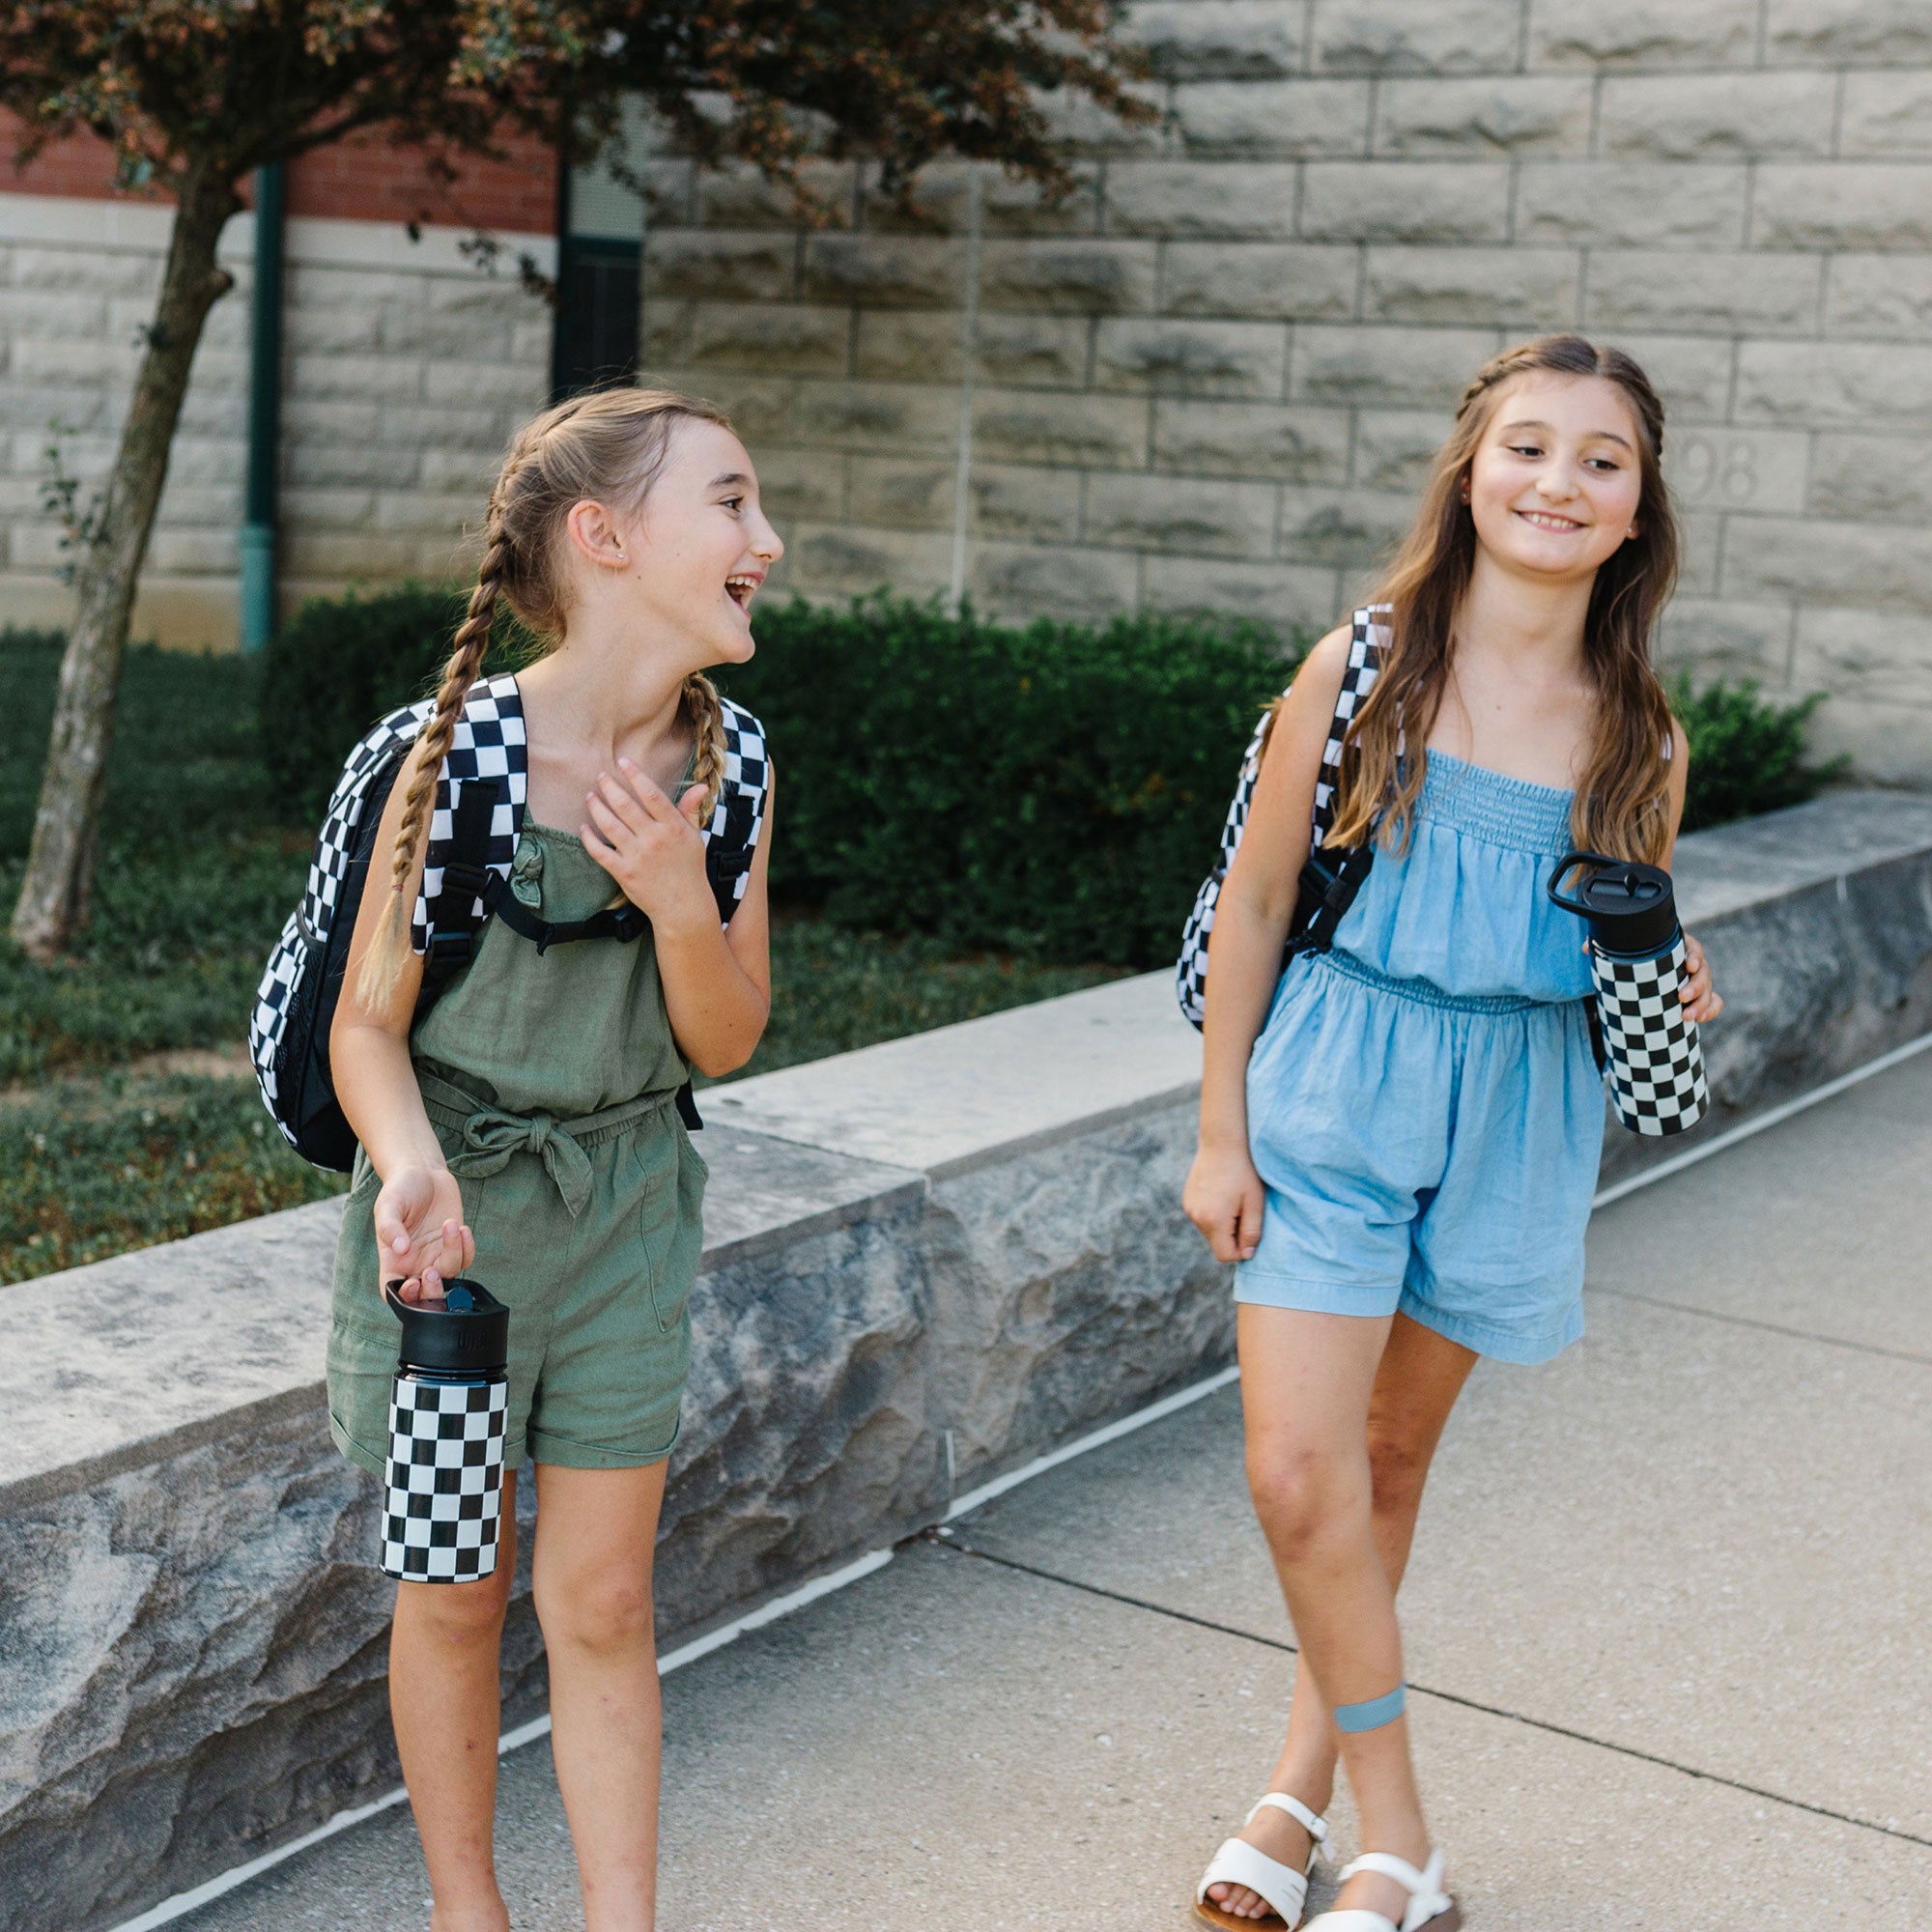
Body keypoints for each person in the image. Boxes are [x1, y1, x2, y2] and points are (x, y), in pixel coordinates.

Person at [1185, 335, 1723, 1932]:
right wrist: (1221, 1129)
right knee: (1297, 1474)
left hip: (1516, 1107)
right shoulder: (1362, 669)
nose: (1561, 482)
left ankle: (1296, 1801)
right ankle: (1403, 1836)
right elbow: (1257, 898)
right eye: (1531, 447)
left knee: (1387, 1463)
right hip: (1340, 1081)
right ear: (1472, 471)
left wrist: (1671, 971)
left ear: (1637, 512)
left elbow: (1617, 946)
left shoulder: (1642, 735)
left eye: (1601, 461)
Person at [326, 386, 782, 1932]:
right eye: (729, 503)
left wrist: (674, 898)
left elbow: (724, 1040)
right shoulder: (450, 756)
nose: (763, 540)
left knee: (602, 1600)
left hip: (627, 1224)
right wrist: (406, 1166)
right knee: (453, 1591)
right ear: (605, 537)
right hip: (454, 1250)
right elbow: (366, 1025)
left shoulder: (736, 766)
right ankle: (471, 1914)